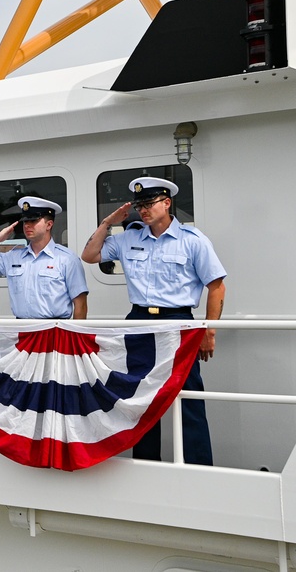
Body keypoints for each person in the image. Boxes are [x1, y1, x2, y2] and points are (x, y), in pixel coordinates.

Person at [82, 176, 226, 465]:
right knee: (142, 398)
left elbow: (217, 286)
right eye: (139, 205)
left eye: (149, 203)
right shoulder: (129, 237)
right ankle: (147, 463)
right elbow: (90, 255)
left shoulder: (192, 241)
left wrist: (209, 330)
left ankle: (200, 466)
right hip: (139, 322)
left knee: (188, 397)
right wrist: (107, 223)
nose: (143, 210)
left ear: (167, 203)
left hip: (178, 322)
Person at [0, 196, 88, 319]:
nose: (27, 225)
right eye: (25, 221)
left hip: (54, 331)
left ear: (49, 225)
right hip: (22, 331)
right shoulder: (13, 257)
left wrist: (73, 336)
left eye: (33, 221)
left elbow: (81, 305)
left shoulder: (67, 259)